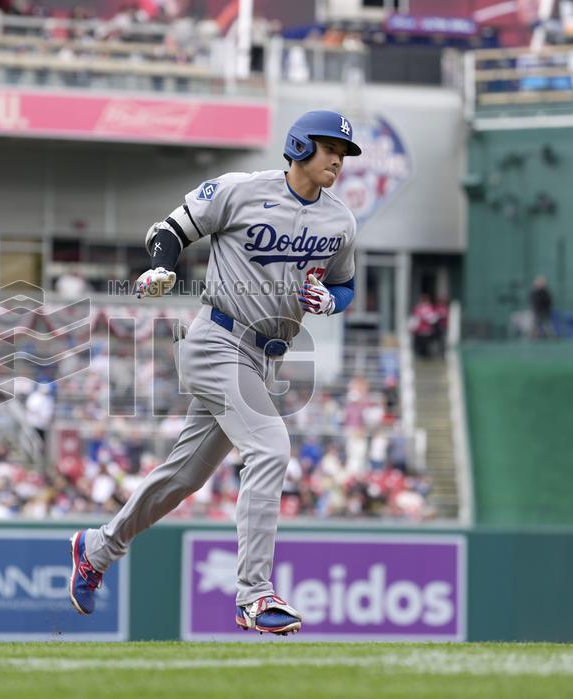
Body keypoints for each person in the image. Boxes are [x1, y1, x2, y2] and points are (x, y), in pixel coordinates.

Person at [68, 110, 361, 636]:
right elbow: (171, 229)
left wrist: (331, 302)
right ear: (298, 147)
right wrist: (161, 266)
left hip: (265, 357)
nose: (338, 158)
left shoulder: (340, 220)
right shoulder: (240, 190)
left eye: (344, 151)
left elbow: (345, 286)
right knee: (271, 447)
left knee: (183, 478)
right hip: (217, 339)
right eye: (329, 147)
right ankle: (254, 595)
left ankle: (96, 548)